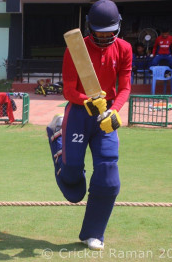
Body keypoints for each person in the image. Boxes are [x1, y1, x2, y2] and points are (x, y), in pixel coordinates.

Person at [46, 0, 132, 250]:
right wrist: (87, 101)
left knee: (108, 178)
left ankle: (93, 233)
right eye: (99, 32)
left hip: (106, 118)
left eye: (109, 32)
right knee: (73, 186)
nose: (104, 38)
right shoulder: (76, 48)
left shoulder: (124, 48)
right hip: (79, 114)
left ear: (118, 27)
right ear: (89, 27)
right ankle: (57, 135)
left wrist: (114, 112)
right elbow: (69, 90)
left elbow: (125, 86)